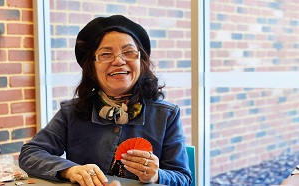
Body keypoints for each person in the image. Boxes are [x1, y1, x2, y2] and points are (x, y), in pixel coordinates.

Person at [19, 15, 192, 186]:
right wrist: (70, 170)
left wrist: (156, 175)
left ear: (142, 61)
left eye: (128, 52)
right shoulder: (71, 112)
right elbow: (31, 153)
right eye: (106, 54)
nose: (118, 60)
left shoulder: (167, 115)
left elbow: (183, 178)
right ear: (92, 67)